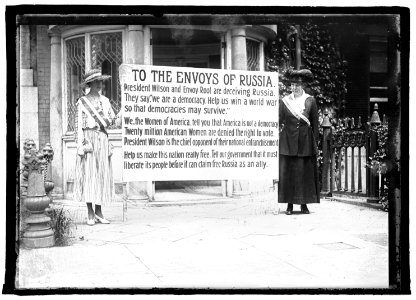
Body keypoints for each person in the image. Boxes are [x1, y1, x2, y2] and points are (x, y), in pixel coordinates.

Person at [74, 69, 119, 225]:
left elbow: (112, 121)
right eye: (97, 81)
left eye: (101, 81)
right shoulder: (82, 102)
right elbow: (78, 125)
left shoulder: (105, 101)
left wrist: (120, 117)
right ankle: (90, 212)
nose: (100, 83)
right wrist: (80, 144)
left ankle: (99, 211)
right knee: (89, 175)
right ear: (90, 83)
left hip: (102, 138)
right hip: (89, 139)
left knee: (101, 175)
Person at [278, 69, 320, 215]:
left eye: (296, 85)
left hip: (305, 143)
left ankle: (304, 204)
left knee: (304, 173)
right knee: (289, 173)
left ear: (302, 85)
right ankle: (289, 205)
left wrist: (316, 144)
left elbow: (315, 125)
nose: (293, 87)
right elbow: (278, 121)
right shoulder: (285, 101)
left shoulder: (310, 100)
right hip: (287, 142)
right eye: (292, 84)